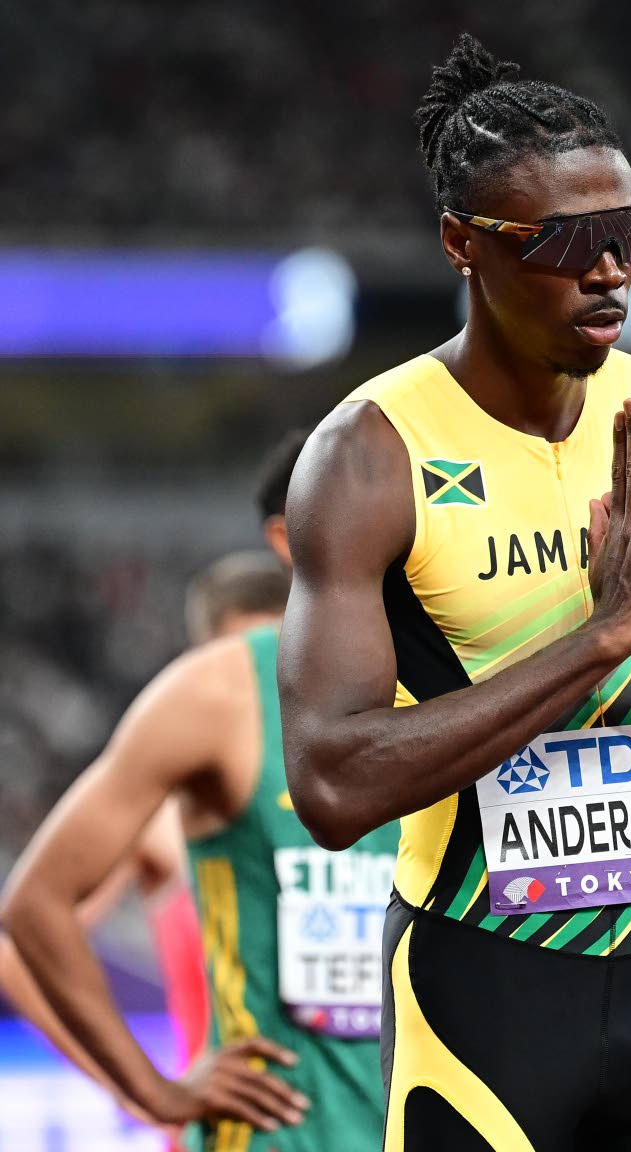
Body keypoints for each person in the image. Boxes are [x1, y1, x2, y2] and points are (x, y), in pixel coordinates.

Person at [279, 33, 631, 1151]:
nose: (610, 270)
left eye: (627, 231)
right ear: (463, 244)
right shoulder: (369, 456)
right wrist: (601, 639)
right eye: (569, 241)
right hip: (483, 990)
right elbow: (331, 787)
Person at [0, 431, 400, 1152]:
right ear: (291, 540)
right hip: (276, 1137)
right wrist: (153, 1092)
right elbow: (33, 909)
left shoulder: (456, 685)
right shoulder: (219, 694)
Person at [0, 549, 290, 1101]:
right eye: (242, 657)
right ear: (200, 664)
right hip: (235, 1123)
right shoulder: (163, 816)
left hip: (366, 1116)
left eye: (278, 655)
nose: (261, 678)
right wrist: (141, 1088)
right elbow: (19, 953)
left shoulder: (359, 795)